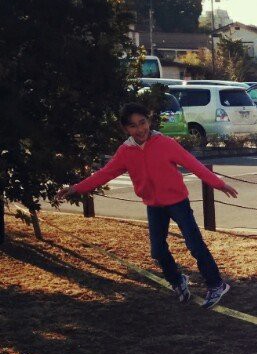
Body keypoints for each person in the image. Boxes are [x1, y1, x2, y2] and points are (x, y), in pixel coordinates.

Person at [54, 102, 239, 309]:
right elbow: (104, 174)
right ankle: (178, 281)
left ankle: (216, 284)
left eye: (142, 123)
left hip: (178, 202)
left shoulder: (166, 143)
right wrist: (75, 188)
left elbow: (193, 164)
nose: (140, 129)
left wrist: (219, 184)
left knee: (194, 244)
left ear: (149, 121)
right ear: (126, 129)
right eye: (133, 126)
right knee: (157, 251)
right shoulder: (125, 152)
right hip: (154, 206)